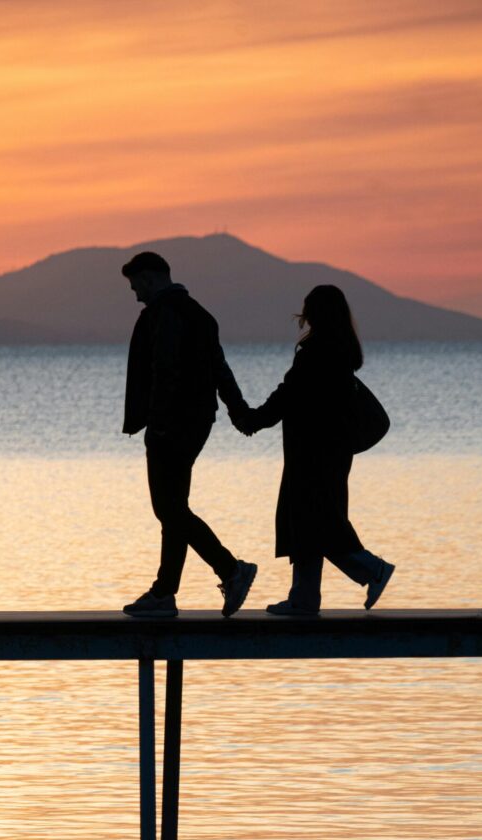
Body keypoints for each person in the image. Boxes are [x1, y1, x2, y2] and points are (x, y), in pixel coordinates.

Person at [233, 284, 394, 615]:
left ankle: (370, 569)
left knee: (316, 522)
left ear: (316, 313)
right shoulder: (340, 352)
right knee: (311, 522)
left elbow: (287, 395)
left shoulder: (316, 352)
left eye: (307, 310)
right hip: (332, 451)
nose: (303, 316)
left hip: (311, 452)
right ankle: (304, 598)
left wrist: (253, 419)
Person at [120, 250, 257, 618]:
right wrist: (237, 410)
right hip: (197, 422)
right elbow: (220, 369)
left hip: (172, 424)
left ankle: (231, 569)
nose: (135, 295)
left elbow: (165, 371)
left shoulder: (165, 316)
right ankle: (165, 593)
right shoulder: (199, 314)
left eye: (136, 287)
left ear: (149, 279)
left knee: (168, 508)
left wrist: (158, 422)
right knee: (173, 508)